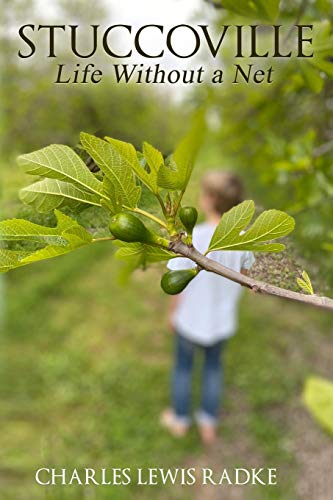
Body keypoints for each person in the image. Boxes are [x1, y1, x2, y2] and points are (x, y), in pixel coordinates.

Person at [161, 170, 255, 445]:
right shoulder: (243, 241)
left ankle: (179, 420)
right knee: (214, 369)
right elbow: (248, 277)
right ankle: (208, 423)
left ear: (210, 199)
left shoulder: (194, 239)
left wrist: (172, 313)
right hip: (222, 321)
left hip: (189, 320)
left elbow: (175, 285)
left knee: (183, 369)